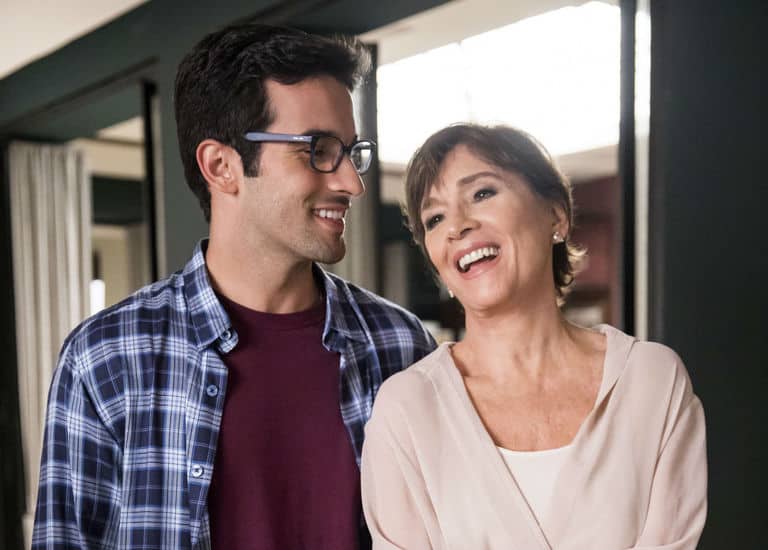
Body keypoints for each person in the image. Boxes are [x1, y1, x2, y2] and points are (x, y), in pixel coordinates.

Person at [32, 23, 435, 550]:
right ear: (221, 166)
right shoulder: (105, 357)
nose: (351, 183)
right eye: (317, 149)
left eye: (350, 151)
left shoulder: (400, 345)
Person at [361, 124, 707, 549]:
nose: (457, 226)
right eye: (435, 218)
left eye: (482, 193)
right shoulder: (407, 409)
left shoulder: (652, 382)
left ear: (556, 215)